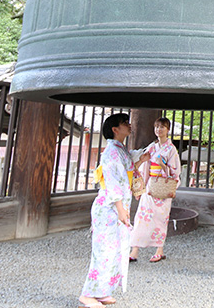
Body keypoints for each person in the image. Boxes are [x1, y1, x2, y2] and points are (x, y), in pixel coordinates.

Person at [79, 113, 148, 308]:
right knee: (104, 250)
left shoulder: (120, 150)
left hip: (117, 206)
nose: (129, 125)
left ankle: (102, 291)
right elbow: (112, 181)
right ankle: (87, 294)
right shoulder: (111, 152)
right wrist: (120, 208)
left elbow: (127, 168)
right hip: (109, 207)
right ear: (115, 130)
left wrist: (141, 160)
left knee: (116, 249)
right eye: (124, 123)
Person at [128, 117, 181, 263]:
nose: (159, 130)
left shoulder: (171, 149)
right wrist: (140, 187)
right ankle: (135, 250)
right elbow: (144, 166)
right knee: (141, 217)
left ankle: (159, 250)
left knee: (160, 220)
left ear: (168, 130)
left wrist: (162, 164)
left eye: (162, 127)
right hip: (150, 185)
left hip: (163, 186)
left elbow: (175, 172)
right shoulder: (152, 146)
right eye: (157, 127)